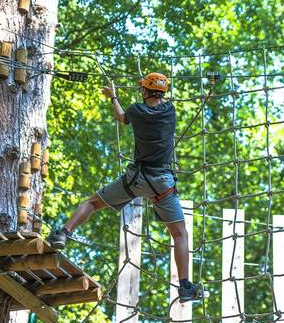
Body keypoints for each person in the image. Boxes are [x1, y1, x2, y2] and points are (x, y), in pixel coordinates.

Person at [47, 73, 203, 303]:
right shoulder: (170, 111)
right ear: (162, 92)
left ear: (145, 91)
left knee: (91, 203)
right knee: (179, 234)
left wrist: (113, 96)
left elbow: (121, 117)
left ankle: (63, 234)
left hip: (136, 179)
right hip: (161, 184)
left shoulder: (136, 111)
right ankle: (185, 286)